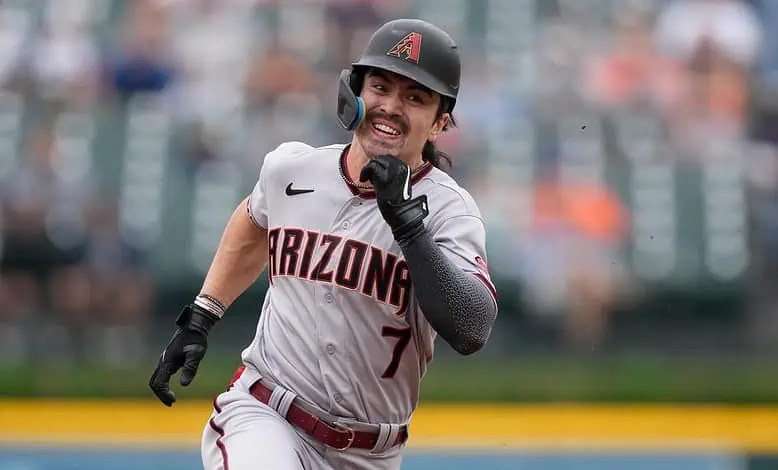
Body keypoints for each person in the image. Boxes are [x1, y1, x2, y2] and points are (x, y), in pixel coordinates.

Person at [149, 18, 499, 470]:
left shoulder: (450, 209)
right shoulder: (292, 170)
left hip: (372, 452)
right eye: (380, 87)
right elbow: (253, 221)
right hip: (267, 414)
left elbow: (472, 327)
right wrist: (202, 314)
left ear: (438, 123)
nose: (391, 107)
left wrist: (408, 224)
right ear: (353, 94)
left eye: (415, 97)